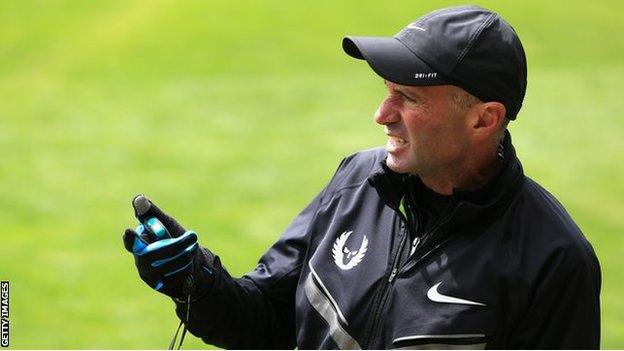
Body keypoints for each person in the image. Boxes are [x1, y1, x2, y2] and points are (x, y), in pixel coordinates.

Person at [123, 5, 601, 349]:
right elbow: (267, 321)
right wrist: (197, 281)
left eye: (408, 99)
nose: (381, 114)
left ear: (483, 119)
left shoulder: (553, 261)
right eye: (386, 91)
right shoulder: (357, 181)